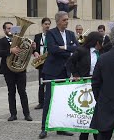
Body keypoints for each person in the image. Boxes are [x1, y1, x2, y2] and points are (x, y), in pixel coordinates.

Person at [39, 11, 79, 139]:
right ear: (57, 21)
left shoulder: (71, 34)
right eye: (64, 20)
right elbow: (52, 49)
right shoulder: (50, 33)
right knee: (49, 100)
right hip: (52, 72)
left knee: (63, 101)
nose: (67, 22)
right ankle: (44, 128)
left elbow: (76, 48)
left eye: (67, 19)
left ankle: (61, 128)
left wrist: (63, 47)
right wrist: (68, 49)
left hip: (65, 71)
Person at [68, 31, 104, 140]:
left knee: (95, 111)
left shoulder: (101, 52)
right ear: (96, 42)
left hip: (98, 84)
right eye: (100, 42)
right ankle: (84, 135)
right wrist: (76, 74)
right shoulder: (81, 51)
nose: (101, 44)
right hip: (84, 84)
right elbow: (70, 63)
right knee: (86, 112)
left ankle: (97, 134)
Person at [0, 22, 33, 121]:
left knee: (22, 92)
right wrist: (10, 50)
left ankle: (27, 114)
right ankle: (13, 114)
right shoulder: (1, 41)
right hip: (8, 70)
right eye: (8, 29)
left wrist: (32, 48)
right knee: (11, 92)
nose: (10, 31)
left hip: (20, 69)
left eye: (12, 29)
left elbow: (27, 52)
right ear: (4, 30)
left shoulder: (21, 41)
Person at [33, 17, 51, 109]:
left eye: (48, 24)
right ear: (42, 25)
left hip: (50, 62)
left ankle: (49, 101)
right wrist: (35, 52)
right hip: (41, 62)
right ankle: (41, 102)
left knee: (49, 83)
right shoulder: (37, 36)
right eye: (45, 24)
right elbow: (34, 48)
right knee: (41, 83)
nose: (47, 26)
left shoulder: (52, 35)